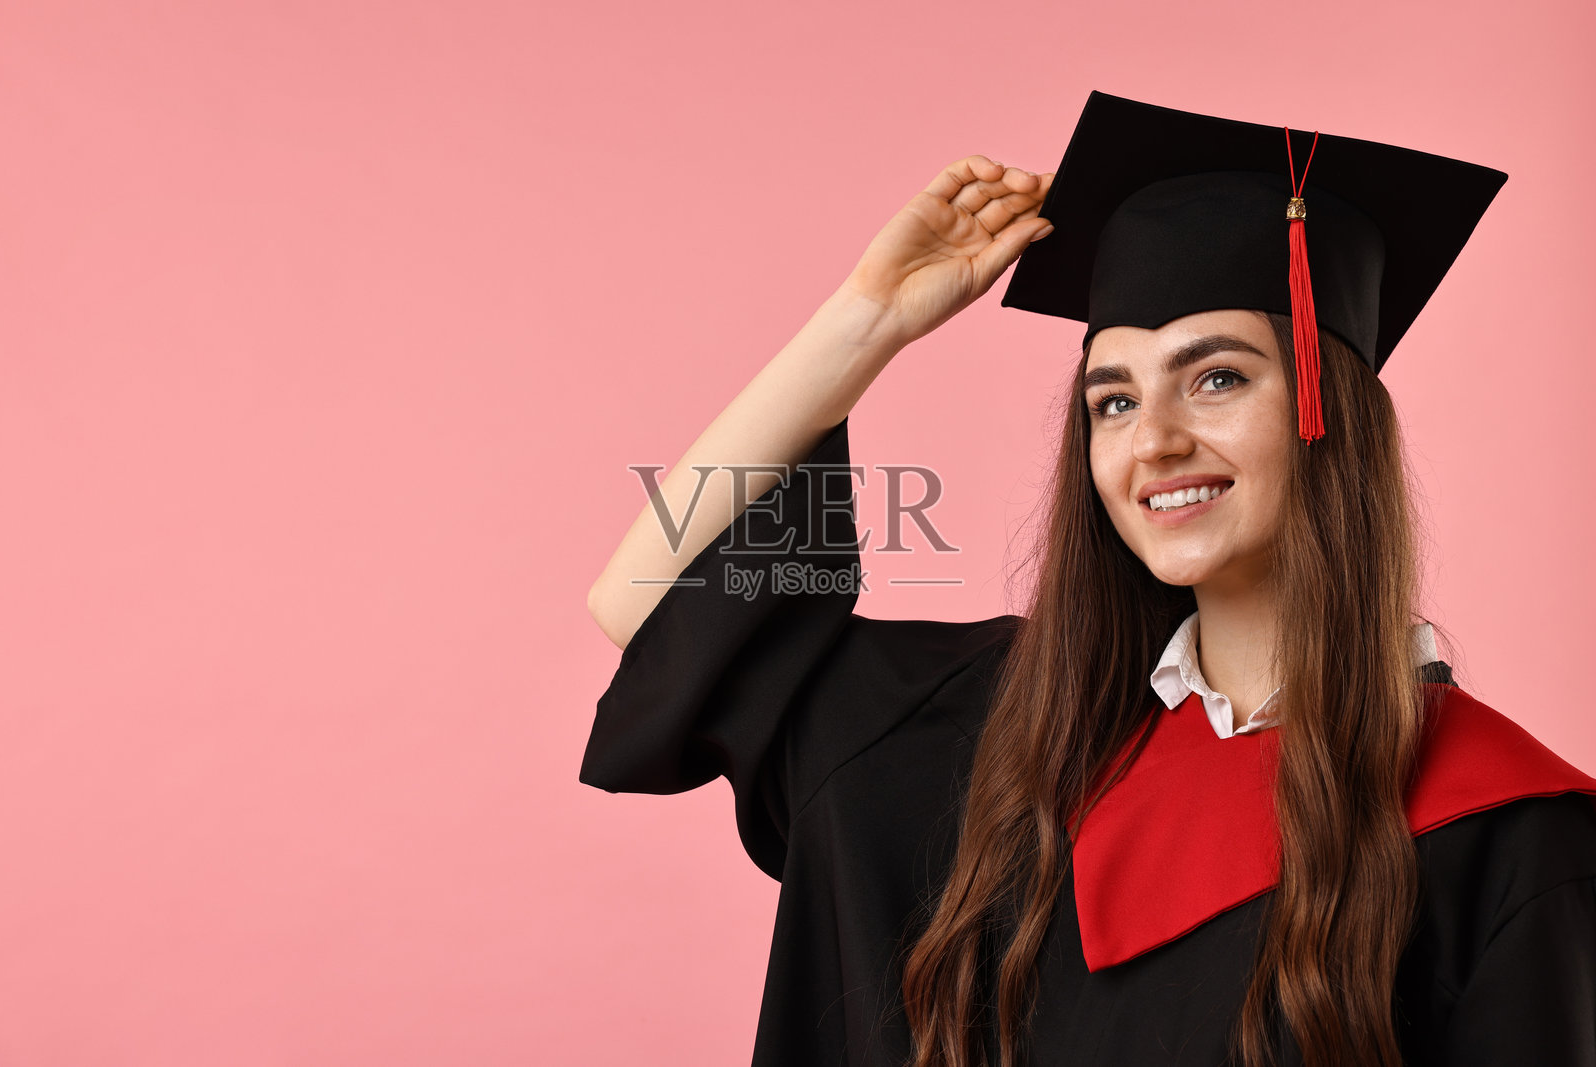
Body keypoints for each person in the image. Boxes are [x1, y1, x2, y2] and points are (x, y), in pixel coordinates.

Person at [580, 91, 1596, 1067]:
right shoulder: (989, 723)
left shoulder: (1500, 826)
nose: (1152, 439)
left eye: (1217, 377)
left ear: (1331, 414)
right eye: (1110, 400)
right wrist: (866, 320)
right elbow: (644, 602)